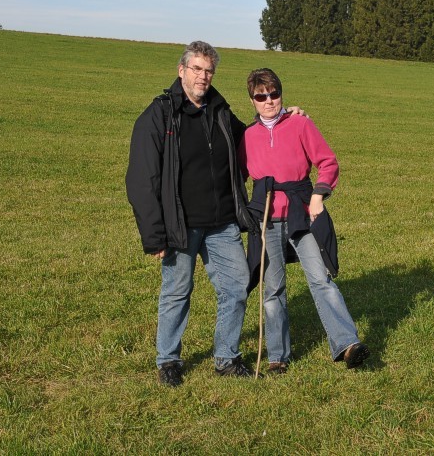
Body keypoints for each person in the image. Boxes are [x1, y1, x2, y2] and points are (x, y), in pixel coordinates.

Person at [125, 42, 305, 387]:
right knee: (177, 291)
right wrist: (154, 233)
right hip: (181, 225)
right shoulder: (159, 115)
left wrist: (285, 119)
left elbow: (252, 138)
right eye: (196, 69)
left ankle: (226, 357)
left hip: (222, 222)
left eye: (208, 70)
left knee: (237, 286)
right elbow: (141, 179)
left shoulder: (219, 110)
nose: (202, 76)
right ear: (181, 70)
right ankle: (168, 360)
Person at [239, 68, 369, 375]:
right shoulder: (247, 135)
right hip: (267, 216)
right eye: (261, 96)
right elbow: (236, 176)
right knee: (272, 289)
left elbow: (327, 162)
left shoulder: (300, 124)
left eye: (274, 94)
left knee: (320, 278)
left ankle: (347, 344)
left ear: (281, 94)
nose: (269, 101)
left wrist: (318, 195)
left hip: (301, 211)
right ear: (253, 100)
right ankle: (277, 356)